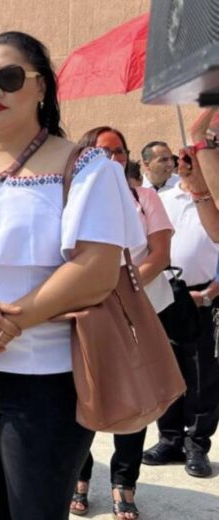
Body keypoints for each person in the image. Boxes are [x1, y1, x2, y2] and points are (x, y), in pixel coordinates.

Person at [0, 32, 146, 519]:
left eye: (9, 77)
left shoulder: (86, 168)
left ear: (42, 88)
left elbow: (95, 271)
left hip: (49, 379)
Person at [69, 126, 174, 519]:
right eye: (100, 152)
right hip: (89, 313)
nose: (110, 160)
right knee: (85, 393)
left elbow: (159, 253)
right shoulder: (72, 196)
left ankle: (123, 483)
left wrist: (122, 292)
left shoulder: (143, 198)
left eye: (117, 152)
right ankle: (78, 478)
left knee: (135, 396)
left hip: (137, 311)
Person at [142, 143, 219, 479]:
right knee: (166, 370)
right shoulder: (165, 200)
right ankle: (170, 438)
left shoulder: (214, 199)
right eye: (186, 162)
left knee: (203, 375)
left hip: (205, 296)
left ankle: (197, 444)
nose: (188, 167)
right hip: (168, 295)